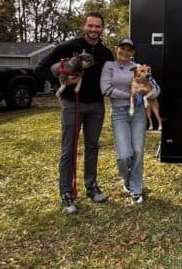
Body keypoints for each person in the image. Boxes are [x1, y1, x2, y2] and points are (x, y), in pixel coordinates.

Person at [35, 12, 114, 215]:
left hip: (96, 106)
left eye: (98, 26)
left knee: (93, 147)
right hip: (72, 103)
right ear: (84, 26)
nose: (94, 30)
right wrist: (57, 84)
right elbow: (40, 68)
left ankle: (91, 187)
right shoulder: (68, 47)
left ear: (102, 29)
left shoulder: (106, 53)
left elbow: (114, 77)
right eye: (91, 25)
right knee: (68, 149)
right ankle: (66, 193)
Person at [100, 38, 160, 204]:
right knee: (124, 155)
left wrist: (150, 93)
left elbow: (155, 88)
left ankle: (135, 187)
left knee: (138, 152)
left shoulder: (140, 67)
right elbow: (106, 89)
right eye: (122, 49)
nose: (125, 52)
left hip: (139, 114)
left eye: (129, 50)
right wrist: (132, 95)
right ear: (116, 49)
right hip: (119, 113)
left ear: (133, 53)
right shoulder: (109, 66)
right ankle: (126, 180)